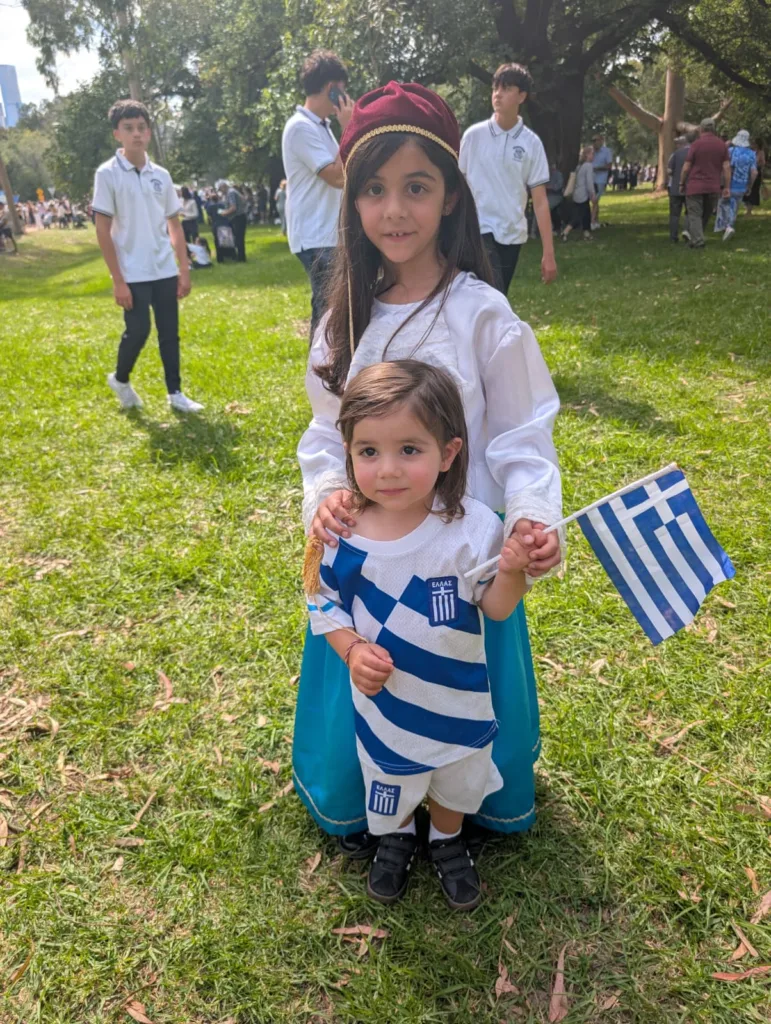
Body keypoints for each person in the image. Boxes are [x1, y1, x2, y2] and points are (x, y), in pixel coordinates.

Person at [294, 81, 563, 863]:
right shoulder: (343, 319)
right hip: (371, 561)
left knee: (455, 682)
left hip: (459, 564)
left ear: (450, 197)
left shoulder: (483, 313)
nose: (394, 210)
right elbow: (321, 432)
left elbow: (521, 432)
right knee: (371, 668)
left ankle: (460, 805)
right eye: (374, 189)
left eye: (417, 187)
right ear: (353, 203)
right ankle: (369, 803)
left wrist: (528, 516)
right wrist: (325, 495)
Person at [307, 360, 532, 909]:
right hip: (387, 714)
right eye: (369, 451)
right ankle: (399, 837)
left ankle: (448, 839)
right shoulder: (340, 534)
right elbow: (322, 604)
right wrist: (353, 649)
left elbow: (498, 610)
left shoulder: (475, 527)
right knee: (394, 782)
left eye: (410, 450)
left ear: (448, 453)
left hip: (460, 707)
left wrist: (514, 568)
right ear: (348, 452)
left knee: (456, 781)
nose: (388, 469)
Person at [93, 99, 203, 413]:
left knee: (170, 332)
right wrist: (118, 280)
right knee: (138, 330)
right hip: (132, 271)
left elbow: (174, 225)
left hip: (163, 268)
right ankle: (121, 378)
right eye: (129, 129)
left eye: (141, 127)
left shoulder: (162, 175)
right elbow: (103, 230)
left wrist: (184, 269)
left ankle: (176, 393)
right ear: (117, 134)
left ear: (149, 132)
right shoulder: (108, 175)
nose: (136, 134)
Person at [459, 62, 557, 295]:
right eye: (495, 88)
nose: (497, 94)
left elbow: (540, 201)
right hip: (478, 230)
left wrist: (549, 254)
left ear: (522, 96)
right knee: (492, 297)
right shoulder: (473, 137)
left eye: (506, 88)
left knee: (497, 299)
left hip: (512, 234)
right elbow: (457, 187)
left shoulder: (531, 143)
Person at [281, 50, 354, 339]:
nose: (345, 96)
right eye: (342, 90)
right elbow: (337, 176)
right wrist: (349, 128)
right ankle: (321, 375)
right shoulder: (300, 127)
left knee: (332, 308)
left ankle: (328, 371)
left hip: (326, 234)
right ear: (331, 89)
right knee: (327, 311)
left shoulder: (320, 127)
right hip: (315, 236)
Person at [680, 117, 730, 249]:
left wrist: (681, 183)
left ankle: (698, 241)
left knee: (694, 214)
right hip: (713, 187)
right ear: (714, 129)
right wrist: (727, 187)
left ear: (701, 129)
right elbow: (726, 167)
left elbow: (686, 167)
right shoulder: (721, 145)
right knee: (706, 213)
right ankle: (697, 237)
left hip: (695, 186)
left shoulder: (696, 144)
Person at [715, 129, 758, 241]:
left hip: (728, 183)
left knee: (724, 205)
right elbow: (754, 172)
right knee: (734, 206)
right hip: (742, 185)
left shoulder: (730, 151)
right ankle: (729, 226)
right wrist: (750, 186)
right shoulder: (752, 154)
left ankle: (727, 227)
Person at [561, 146, 595, 242]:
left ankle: (586, 233)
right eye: (592, 154)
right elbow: (589, 182)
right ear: (587, 155)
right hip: (583, 195)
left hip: (577, 194)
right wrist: (592, 193)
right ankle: (566, 231)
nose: (593, 156)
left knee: (585, 214)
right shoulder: (588, 166)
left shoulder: (579, 166)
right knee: (579, 215)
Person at [667, 135, 690, 243]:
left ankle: (673, 236)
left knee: (675, 214)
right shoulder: (693, 153)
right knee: (689, 212)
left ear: (681, 144)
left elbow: (669, 171)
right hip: (690, 188)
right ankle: (687, 231)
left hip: (676, 188)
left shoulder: (675, 154)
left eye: (677, 143)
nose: (676, 145)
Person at [220, 182, 247, 262]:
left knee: (238, 238)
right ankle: (239, 256)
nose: (220, 191)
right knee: (238, 238)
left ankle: (241, 258)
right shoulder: (233, 191)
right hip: (238, 217)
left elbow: (233, 207)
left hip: (237, 217)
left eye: (220, 189)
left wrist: (224, 213)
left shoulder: (231, 193)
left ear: (223, 187)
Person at [590, 132, 613, 228]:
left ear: (601, 141)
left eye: (596, 140)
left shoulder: (607, 151)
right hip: (591, 179)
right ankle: (596, 221)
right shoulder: (591, 151)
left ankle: (592, 221)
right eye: (593, 140)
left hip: (600, 179)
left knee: (595, 200)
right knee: (594, 201)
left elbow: (609, 165)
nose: (594, 142)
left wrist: (597, 168)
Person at [743, 138, 765, 214]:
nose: (752, 145)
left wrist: (756, 165)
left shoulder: (760, 152)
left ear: (758, 145)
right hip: (747, 172)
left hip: (756, 173)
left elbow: (762, 164)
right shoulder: (748, 152)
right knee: (746, 190)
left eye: (754, 143)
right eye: (752, 143)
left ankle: (749, 210)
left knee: (754, 191)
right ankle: (746, 206)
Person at [545, 162, 564, 233]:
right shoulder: (547, 175)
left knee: (548, 208)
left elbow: (559, 186)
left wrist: (550, 187)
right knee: (553, 212)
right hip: (548, 196)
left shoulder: (558, 174)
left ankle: (555, 227)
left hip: (556, 195)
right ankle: (555, 227)